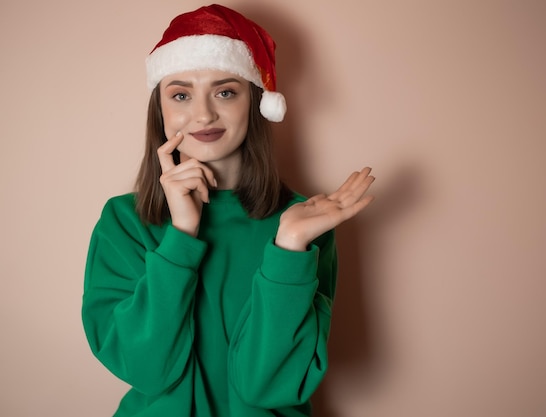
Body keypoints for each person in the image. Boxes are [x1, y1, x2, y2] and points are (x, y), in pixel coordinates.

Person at [81, 4, 374, 417]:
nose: (203, 114)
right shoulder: (123, 222)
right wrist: (180, 237)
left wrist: (288, 250)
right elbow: (147, 369)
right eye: (181, 94)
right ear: (159, 110)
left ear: (256, 102)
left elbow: (268, 386)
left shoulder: (304, 224)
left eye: (225, 92)